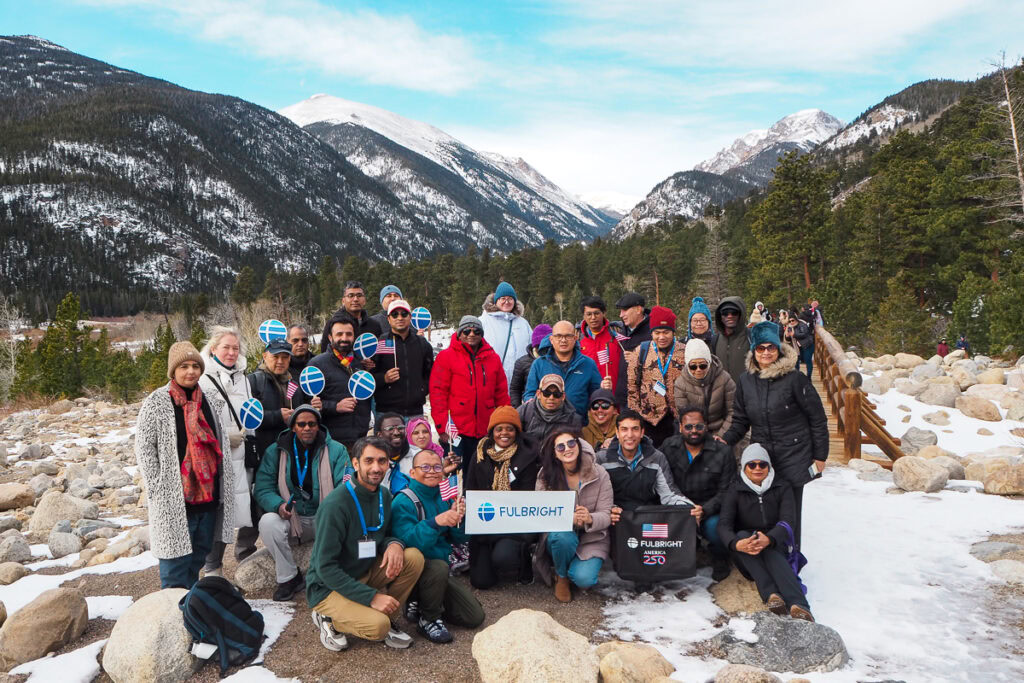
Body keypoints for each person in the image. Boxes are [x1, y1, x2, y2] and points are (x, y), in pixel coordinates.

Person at [306, 437, 424, 651]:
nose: (376, 468)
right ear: (355, 463)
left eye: (382, 461)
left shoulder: (384, 495)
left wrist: (394, 543)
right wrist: (371, 597)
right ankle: (328, 617)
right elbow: (325, 567)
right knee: (378, 627)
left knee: (413, 558)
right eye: (369, 461)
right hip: (328, 586)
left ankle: (380, 613)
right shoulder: (335, 504)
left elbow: (384, 534)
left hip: (362, 571)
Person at [135, 342, 236, 589]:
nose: (190, 371)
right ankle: (172, 612)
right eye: (184, 366)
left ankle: (189, 606)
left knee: (199, 554)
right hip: (174, 497)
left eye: (195, 366)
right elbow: (145, 448)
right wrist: (157, 487)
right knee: (174, 561)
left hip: (207, 494)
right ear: (173, 370)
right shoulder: (157, 402)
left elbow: (218, 440)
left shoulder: (209, 400)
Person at [721, 322, 828, 545]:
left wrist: (820, 457)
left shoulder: (795, 378)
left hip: (795, 455)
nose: (767, 352)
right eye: (761, 348)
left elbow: (817, 418)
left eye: (771, 347)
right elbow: (741, 419)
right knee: (767, 508)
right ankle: (770, 554)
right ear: (754, 351)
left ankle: (793, 556)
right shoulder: (746, 381)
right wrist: (725, 439)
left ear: (778, 349)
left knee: (791, 510)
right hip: (764, 457)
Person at [253, 405, 350, 601]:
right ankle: (289, 577)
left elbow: (346, 485)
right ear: (293, 427)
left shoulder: (337, 450)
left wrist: (332, 509)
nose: (307, 428)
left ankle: (330, 576)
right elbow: (262, 488)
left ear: (318, 426)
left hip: (325, 517)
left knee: (348, 518)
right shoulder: (276, 450)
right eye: (302, 424)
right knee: (268, 522)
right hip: (292, 517)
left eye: (312, 424)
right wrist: (279, 505)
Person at [392, 449, 485, 643]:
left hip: (440, 569)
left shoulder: (444, 496)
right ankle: (428, 618)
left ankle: (422, 602)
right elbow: (406, 542)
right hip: (413, 568)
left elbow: (459, 539)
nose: (432, 471)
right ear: (412, 473)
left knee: (474, 616)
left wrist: (459, 518)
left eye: (436, 467)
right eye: (424, 467)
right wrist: (436, 522)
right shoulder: (404, 500)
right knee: (437, 566)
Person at [719, 444, 813, 622]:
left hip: (775, 546)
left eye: (762, 464)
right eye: (752, 465)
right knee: (743, 536)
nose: (757, 469)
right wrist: (735, 544)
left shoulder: (782, 486)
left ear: (769, 466)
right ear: (744, 467)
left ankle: (796, 605)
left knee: (769, 549)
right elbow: (724, 524)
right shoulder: (735, 489)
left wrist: (769, 539)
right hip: (746, 553)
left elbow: (788, 521)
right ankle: (772, 593)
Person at [198, 327, 257, 576]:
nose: (232, 352)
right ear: (213, 349)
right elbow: (198, 422)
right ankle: (213, 572)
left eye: (235, 348)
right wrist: (222, 438)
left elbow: (250, 413)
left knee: (243, 507)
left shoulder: (243, 377)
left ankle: (243, 558)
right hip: (216, 458)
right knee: (218, 513)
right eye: (226, 347)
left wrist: (250, 438)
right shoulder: (202, 377)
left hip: (242, 456)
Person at [533, 426, 613, 602]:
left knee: (584, 579)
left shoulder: (600, 473)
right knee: (562, 537)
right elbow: (541, 513)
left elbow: (606, 514)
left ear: (578, 444)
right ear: (554, 453)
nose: (567, 449)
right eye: (560, 447)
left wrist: (590, 518)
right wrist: (568, 518)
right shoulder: (545, 475)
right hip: (561, 534)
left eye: (571, 443)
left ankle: (573, 570)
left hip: (592, 537)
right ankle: (561, 576)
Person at [464, 406, 541, 589]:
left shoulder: (528, 456)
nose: (504, 433)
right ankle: (489, 558)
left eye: (510, 428)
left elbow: (528, 498)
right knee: (481, 582)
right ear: (492, 432)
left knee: (504, 558)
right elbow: (470, 488)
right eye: (499, 429)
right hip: (486, 521)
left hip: (515, 524)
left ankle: (522, 558)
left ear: (517, 431)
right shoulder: (480, 453)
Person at [660, 406, 736, 581]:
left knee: (716, 528)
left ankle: (719, 556)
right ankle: (689, 548)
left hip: (711, 508)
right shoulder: (668, 447)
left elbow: (727, 490)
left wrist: (704, 510)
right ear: (680, 427)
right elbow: (664, 482)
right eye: (688, 427)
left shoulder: (722, 451)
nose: (694, 431)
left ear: (706, 426)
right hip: (678, 506)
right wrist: (685, 507)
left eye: (699, 426)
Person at [429, 315, 510, 473]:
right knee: (455, 473)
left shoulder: (493, 358)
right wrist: (442, 427)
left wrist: (505, 422)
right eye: (466, 331)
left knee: (483, 475)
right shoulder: (446, 357)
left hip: (485, 429)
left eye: (476, 331)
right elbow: (438, 394)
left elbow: (501, 394)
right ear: (459, 334)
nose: (471, 334)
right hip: (457, 430)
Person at [596, 409, 693, 511]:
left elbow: (669, 495)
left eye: (635, 429)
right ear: (617, 432)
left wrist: (691, 508)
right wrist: (609, 510)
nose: (630, 435)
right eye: (624, 429)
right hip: (614, 518)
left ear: (642, 432)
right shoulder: (601, 459)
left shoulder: (656, 458)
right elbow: (595, 497)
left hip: (646, 518)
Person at [309, 314, 372, 452]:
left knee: (355, 474)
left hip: (360, 439)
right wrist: (335, 406)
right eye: (339, 334)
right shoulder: (317, 365)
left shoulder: (359, 363)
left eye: (349, 334)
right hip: (332, 442)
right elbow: (309, 402)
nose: (344, 338)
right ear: (330, 337)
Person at [249, 339, 315, 468]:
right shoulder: (254, 381)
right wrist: (278, 416)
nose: (280, 361)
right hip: (264, 454)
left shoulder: (294, 383)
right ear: (265, 356)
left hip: (291, 451)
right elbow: (249, 420)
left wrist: (312, 408)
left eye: (285, 357)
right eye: (275, 356)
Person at [626, 306, 686, 448]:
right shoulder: (641, 351)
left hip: (677, 419)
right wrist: (636, 420)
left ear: (673, 332)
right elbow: (632, 387)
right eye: (657, 332)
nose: (662, 337)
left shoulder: (684, 351)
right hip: (649, 419)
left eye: (666, 332)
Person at [523, 320, 604, 421]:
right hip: (546, 425)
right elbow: (529, 393)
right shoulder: (539, 364)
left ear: (575, 338)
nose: (563, 340)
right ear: (551, 339)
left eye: (568, 336)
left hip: (578, 424)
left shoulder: (588, 364)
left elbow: (596, 394)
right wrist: (530, 401)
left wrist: (604, 390)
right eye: (558, 336)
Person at [371, 299, 434, 420]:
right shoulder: (379, 344)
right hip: (386, 413)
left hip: (415, 411)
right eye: (395, 314)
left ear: (410, 317)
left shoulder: (422, 344)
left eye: (404, 314)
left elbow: (430, 373)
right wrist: (384, 378)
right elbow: (369, 376)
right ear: (389, 319)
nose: (400, 318)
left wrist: (421, 390)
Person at [672, 338, 735, 439]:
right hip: (695, 432)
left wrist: (721, 436)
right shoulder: (680, 384)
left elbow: (733, 411)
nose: (698, 370)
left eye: (703, 365)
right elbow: (684, 415)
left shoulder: (725, 379)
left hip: (721, 429)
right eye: (693, 366)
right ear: (687, 365)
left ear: (709, 363)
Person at [578, 296, 627, 406]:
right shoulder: (578, 342)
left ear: (604, 313)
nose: (593, 317)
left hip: (614, 399)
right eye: (589, 314)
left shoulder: (616, 337)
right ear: (583, 316)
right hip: (588, 400)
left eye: (597, 313)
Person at [480, 281, 532, 385]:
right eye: (503, 298)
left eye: (510, 298)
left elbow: (532, 348)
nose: (507, 302)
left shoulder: (523, 323)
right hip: (492, 380)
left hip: (520, 382)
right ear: (496, 301)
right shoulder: (483, 321)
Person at [318, 280, 383, 355]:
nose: (355, 299)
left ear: (364, 300)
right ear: (343, 301)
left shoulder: (374, 325)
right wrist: (356, 361)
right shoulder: (333, 324)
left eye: (359, 295)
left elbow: (380, 351)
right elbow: (325, 353)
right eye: (351, 296)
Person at [518, 374, 582, 440]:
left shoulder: (573, 419)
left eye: (556, 394)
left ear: (563, 396)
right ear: (538, 394)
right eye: (547, 393)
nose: (551, 398)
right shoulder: (524, 411)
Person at [510, 324, 551, 407]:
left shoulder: (555, 360)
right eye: (539, 347)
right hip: (530, 408)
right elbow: (515, 389)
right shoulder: (522, 363)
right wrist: (518, 410)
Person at [373, 412, 412, 494]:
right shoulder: (371, 460)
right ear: (379, 435)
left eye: (401, 428)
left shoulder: (417, 456)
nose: (396, 433)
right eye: (390, 429)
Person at [713, 297, 749, 384]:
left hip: (747, 395)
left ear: (741, 315)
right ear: (720, 317)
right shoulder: (715, 341)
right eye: (725, 313)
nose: (730, 316)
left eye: (734, 313)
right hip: (723, 395)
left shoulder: (751, 337)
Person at [784, 312, 814, 378]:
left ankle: (809, 376)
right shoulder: (789, 327)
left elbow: (804, 334)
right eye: (789, 321)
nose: (791, 322)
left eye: (792, 320)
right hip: (797, 347)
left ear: (796, 319)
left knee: (807, 360)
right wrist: (787, 336)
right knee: (796, 361)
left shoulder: (802, 325)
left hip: (807, 345)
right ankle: (797, 377)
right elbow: (789, 339)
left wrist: (794, 334)